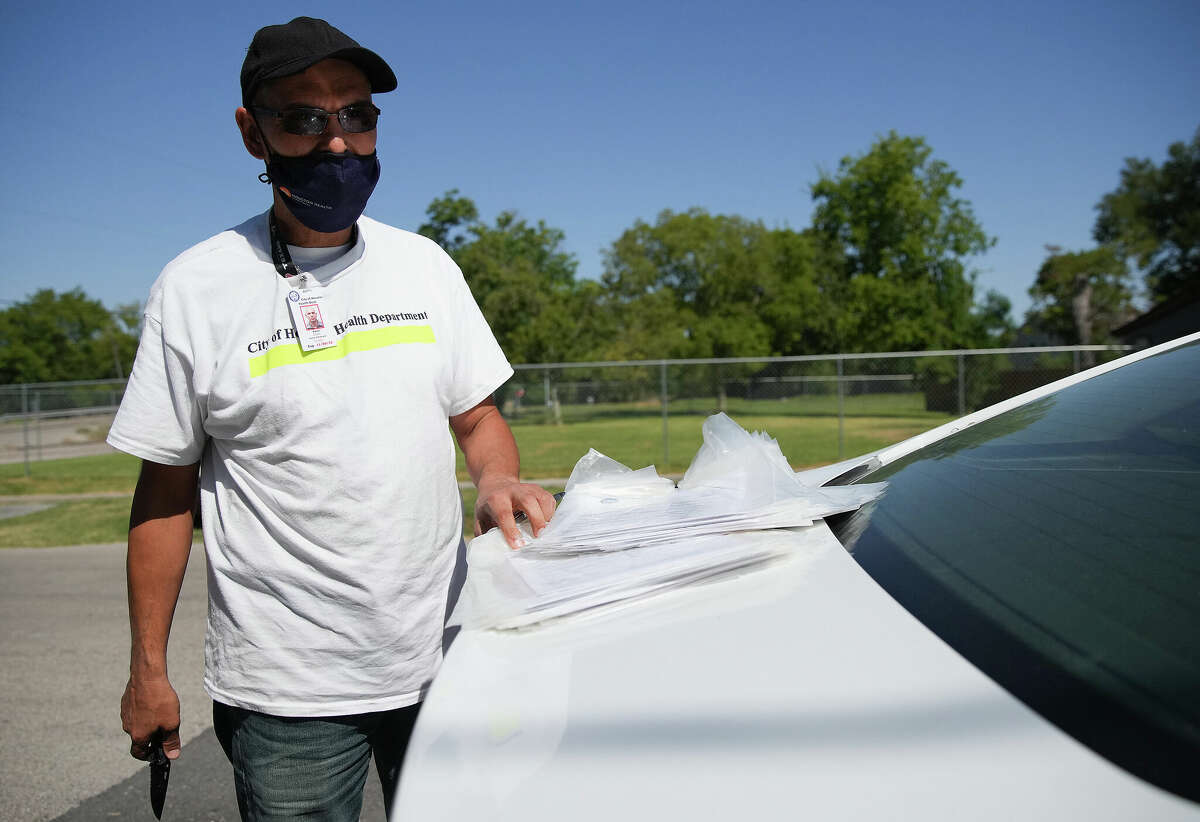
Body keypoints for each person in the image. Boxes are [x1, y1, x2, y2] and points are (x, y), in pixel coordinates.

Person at [109, 16, 556, 820]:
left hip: (448, 662)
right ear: (253, 134)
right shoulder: (194, 289)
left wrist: (497, 480)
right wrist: (148, 669)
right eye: (305, 119)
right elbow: (165, 491)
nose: (339, 141)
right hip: (288, 697)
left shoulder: (425, 268)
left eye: (357, 113)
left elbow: (479, 417)